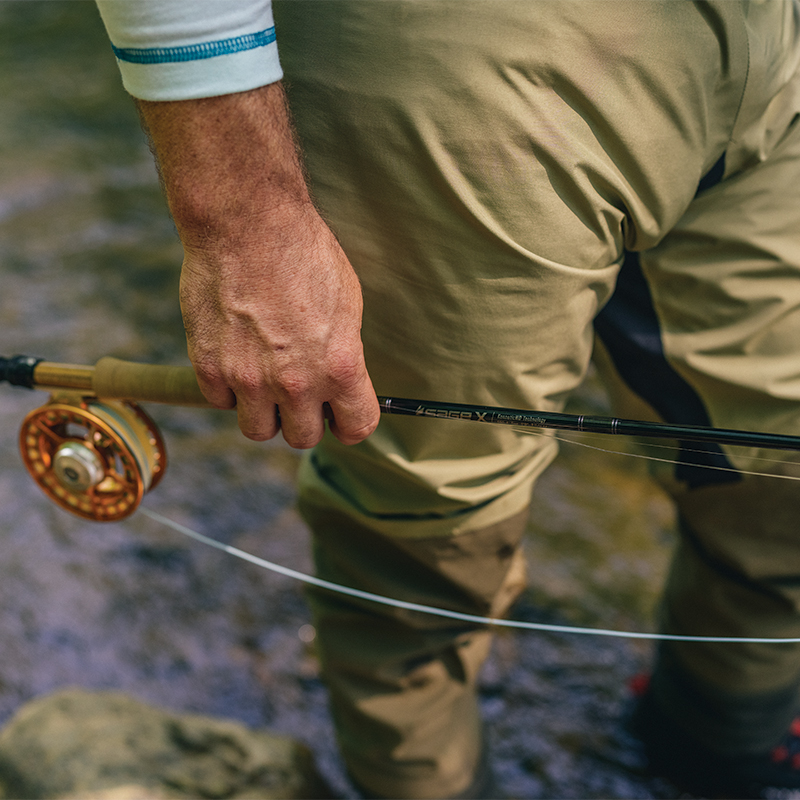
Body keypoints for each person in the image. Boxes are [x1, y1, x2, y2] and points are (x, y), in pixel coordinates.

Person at [95, 1, 800, 797]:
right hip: (465, 68)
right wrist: (243, 224)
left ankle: (721, 750)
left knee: (777, 474)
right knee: (432, 542)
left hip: (768, 46)